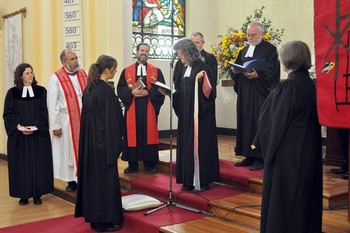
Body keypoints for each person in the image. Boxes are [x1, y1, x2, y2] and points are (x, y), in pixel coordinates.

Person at [254, 41, 323, 233]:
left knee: (286, 199)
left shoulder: (288, 87)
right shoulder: (309, 84)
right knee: (304, 196)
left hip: (287, 154)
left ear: (288, 59)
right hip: (308, 151)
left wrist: (260, 146)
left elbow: (271, 123)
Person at [75, 55, 124, 232]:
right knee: (105, 182)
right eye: (114, 68)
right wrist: (117, 144)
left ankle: (95, 219)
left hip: (90, 144)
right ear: (107, 70)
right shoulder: (106, 91)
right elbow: (113, 122)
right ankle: (106, 220)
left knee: (93, 181)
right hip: (103, 145)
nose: (116, 71)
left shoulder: (89, 88)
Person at [230, 21, 280, 171]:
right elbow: (238, 66)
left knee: (259, 124)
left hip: (261, 94)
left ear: (262, 34)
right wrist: (235, 71)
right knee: (246, 122)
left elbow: (273, 72)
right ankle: (248, 154)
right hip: (246, 93)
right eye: (248, 35)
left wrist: (259, 74)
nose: (250, 37)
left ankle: (260, 156)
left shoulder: (270, 50)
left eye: (254, 35)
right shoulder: (243, 50)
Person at [172, 38, 220, 192]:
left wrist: (200, 83)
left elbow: (209, 92)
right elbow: (179, 89)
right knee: (186, 145)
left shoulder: (202, 66)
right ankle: (187, 179)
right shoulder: (184, 66)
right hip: (186, 116)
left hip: (200, 116)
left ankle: (203, 180)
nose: (179, 56)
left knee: (200, 146)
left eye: (180, 53)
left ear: (186, 52)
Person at [3, 63, 54, 205]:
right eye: (27, 73)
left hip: (38, 135)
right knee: (21, 165)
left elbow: (44, 111)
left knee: (39, 164)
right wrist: (19, 126)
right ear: (20, 76)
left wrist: (35, 126)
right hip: (19, 136)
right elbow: (8, 113)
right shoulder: (12, 93)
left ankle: (37, 194)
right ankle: (23, 195)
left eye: (31, 72)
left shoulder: (41, 91)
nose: (30, 75)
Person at [117, 42, 165, 173]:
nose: (144, 53)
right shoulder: (127, 71)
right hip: (133, 107)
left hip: (149, 108)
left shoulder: (156, 71)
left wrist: (148, 93)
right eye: (142, 50)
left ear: (149, 53)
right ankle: (132, 164)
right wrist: (131, 93)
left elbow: (162, 90)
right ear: (137, 52)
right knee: (132, 134)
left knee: (148, 133)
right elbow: (120, 88)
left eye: (146, 51)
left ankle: (150, 163)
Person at [47, 49, 88, 192]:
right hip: (66, 120)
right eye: (72, 59)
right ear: (64, 62)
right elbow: (52, 104)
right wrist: (55, 125)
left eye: (76, 57)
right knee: (67, 151)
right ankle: (71, 181)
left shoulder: (84, 74)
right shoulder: (56, 78)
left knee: (85, 148)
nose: (76, 61)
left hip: (84, 119)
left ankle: (84, 177)